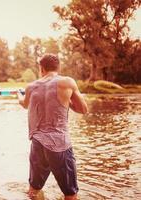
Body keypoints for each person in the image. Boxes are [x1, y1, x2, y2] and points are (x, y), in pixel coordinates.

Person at [17, 53, 88, 200]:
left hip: (37, 143)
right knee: (70, 194)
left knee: (34, 190)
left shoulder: (31, 86)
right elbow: (83, 109)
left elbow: (24, 104)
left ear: (41, 68)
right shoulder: (67, 82)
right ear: (58, 67)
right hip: (59, 144)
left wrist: (19, 95)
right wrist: (66, 100)